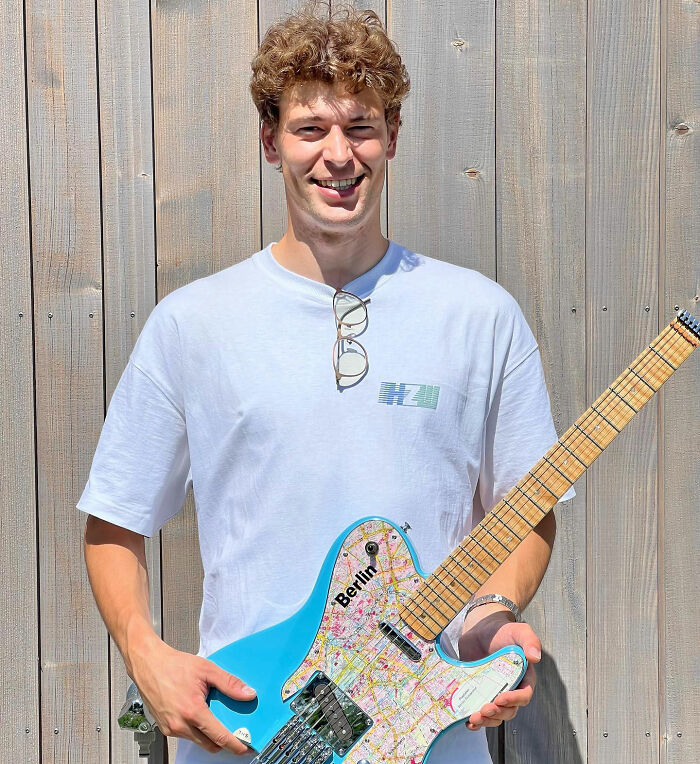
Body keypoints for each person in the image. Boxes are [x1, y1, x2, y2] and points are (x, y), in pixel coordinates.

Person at [80, 4, 573, 763]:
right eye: (311, 129)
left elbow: (527, 507)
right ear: (270, 142)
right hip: (249, 736)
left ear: (393, 138)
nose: (338, 155)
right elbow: (114, 520)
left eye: (361, 127)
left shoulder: (481, 317)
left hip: (427, 737)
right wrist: (147, 657)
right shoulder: (193, 324)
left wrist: (489, 616)